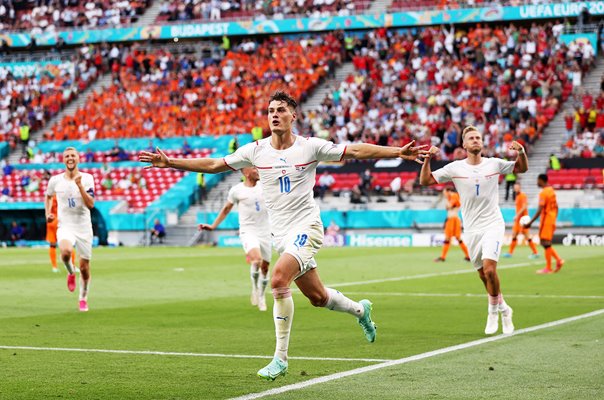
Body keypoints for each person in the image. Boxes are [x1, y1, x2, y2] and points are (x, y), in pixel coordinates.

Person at [140, 91, 428, 381]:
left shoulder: (310, 147)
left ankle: (280, 358)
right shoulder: (255, 150)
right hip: (281, 236)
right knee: (318, 297)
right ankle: (360, 311)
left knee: (278, 280)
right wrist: (172, 162)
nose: (274, 115)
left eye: (280, 110)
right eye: (270, 111)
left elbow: (353, 151)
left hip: (307, 227)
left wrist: (396, 152)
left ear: (294, 116)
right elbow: (215, 165)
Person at [419, 125, 528, 335]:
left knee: (490, 269)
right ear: (464, 144)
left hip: (493, 224)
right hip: (471, 228)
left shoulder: (494, 163)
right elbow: (425, 180)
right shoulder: (455, 168)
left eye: (478, 137)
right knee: (482, 276)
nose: (476, 140)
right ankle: (505, 309)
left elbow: (521, 168)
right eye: (471, 138)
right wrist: (427, 159)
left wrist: (521, 152)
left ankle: (492, 311)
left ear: (483, 142)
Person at [199, 167, 271, 312]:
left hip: (265, 231)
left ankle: (262, 295)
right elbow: (226, 209)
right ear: (246, 173)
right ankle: (255, 290)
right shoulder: (236, 190)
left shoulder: (266, 185)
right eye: (254, 169)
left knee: (265, 267)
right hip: (248, 231)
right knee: (256, 260)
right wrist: (213, 226)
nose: (257, 171)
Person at [45, 147, 95, 312]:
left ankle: (83, 297)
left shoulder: (87, 178)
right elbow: (48, 196)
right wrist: (48, 213)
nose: (70, 158)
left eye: (73, 155)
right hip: (65, 225)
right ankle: (70, 272)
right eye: (67, 156)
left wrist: (80, 186)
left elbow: (91, 205)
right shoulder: (55, 180)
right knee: (65, 253)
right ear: (63, 159)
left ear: (78, 159)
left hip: (83, 227)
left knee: (85, 268)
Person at [523, 174, 564, 274]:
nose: (537, 183)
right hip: (551, 219)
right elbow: (557, 206)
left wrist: (530, 223)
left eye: (538, 180)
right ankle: (558, 261)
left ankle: (548, 267)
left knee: (545, 242)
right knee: (546, 243)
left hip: (546, 220)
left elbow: (540, 210)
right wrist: (554, 218)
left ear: (541, 180)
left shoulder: (543, 193)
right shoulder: (552, 191)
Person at [434, 187, 470, 263]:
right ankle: (467, 256)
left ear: (448, 191)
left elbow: (449, 207)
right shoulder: (451, 197)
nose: (444, 193)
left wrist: (446, 200)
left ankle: (443, 257)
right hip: (452, 219)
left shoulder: (454, 196)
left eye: (444, 191)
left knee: (453, 238)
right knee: (454, 238)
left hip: (453, 219)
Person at [503, 183, 539, 259]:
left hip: (523, 220)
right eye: (514, 187)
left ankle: (535, 253)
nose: (516, 189)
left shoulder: (523, 195)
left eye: (517, 187)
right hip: (518, 220)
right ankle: (510, 253)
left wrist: (517, 215)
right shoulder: (517, 196)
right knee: (514, 235)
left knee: (526, 235)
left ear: (520, 187)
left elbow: (524, 207)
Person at [46, 195, 77, 273]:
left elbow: (47, 204)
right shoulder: (63, 192)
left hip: (52, 220)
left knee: (52, 245)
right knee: (69, 243)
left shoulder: (51, 195)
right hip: (63, 221)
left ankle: (54, 267)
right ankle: (71, 265)